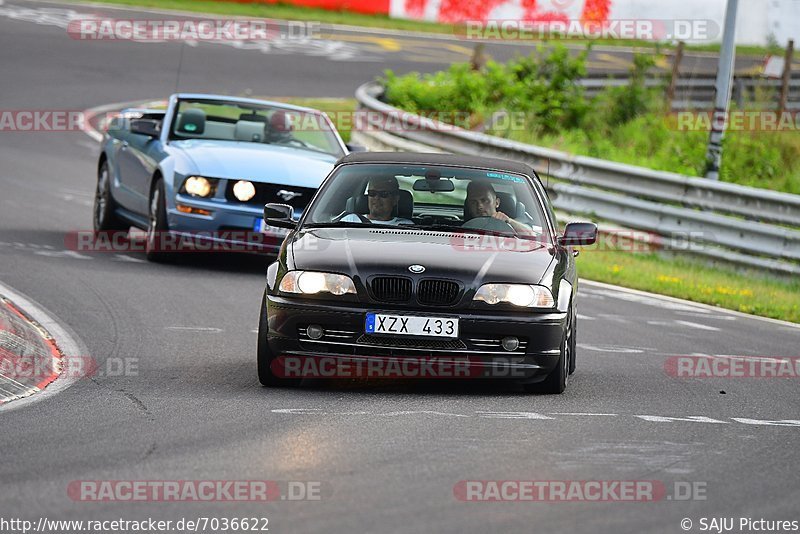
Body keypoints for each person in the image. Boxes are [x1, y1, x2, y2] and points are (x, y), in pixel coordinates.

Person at [464, 180, 537, 236]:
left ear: (497, 203)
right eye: (473, 202)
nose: (479, 206)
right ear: (468, 205)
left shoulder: (512, 224)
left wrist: (509, 221)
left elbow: (532, 235)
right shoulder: (457, 229)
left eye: (485, 200)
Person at [340, 176, 413, 225]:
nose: (376, 198)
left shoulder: (406, 226)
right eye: (372, 193)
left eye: (384, 194)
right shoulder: (350, 221)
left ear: (395, 200)